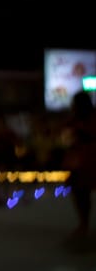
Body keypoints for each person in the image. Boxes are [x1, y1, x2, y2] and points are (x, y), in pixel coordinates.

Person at [61, 90, 96, 239]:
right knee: (79, 191)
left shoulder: (91, 118)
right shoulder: (75, 119)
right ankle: (83, 223)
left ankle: (84, 223)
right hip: (79, 160)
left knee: (81, 191)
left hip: (89, 159)